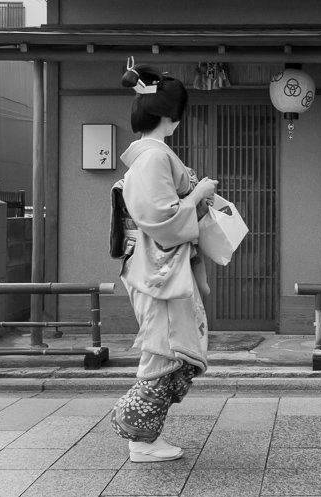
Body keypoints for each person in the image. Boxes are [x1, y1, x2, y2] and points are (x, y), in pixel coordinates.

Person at [110, 59, 218, 462]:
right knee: (165, 350)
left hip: (158, 269)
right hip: (158, 272)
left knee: (171, 350)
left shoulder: (148, 157)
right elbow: (164, 219)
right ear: (170, 117)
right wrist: (198, 192)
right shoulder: (155, 159)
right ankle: (140, 437)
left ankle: (143, 433)